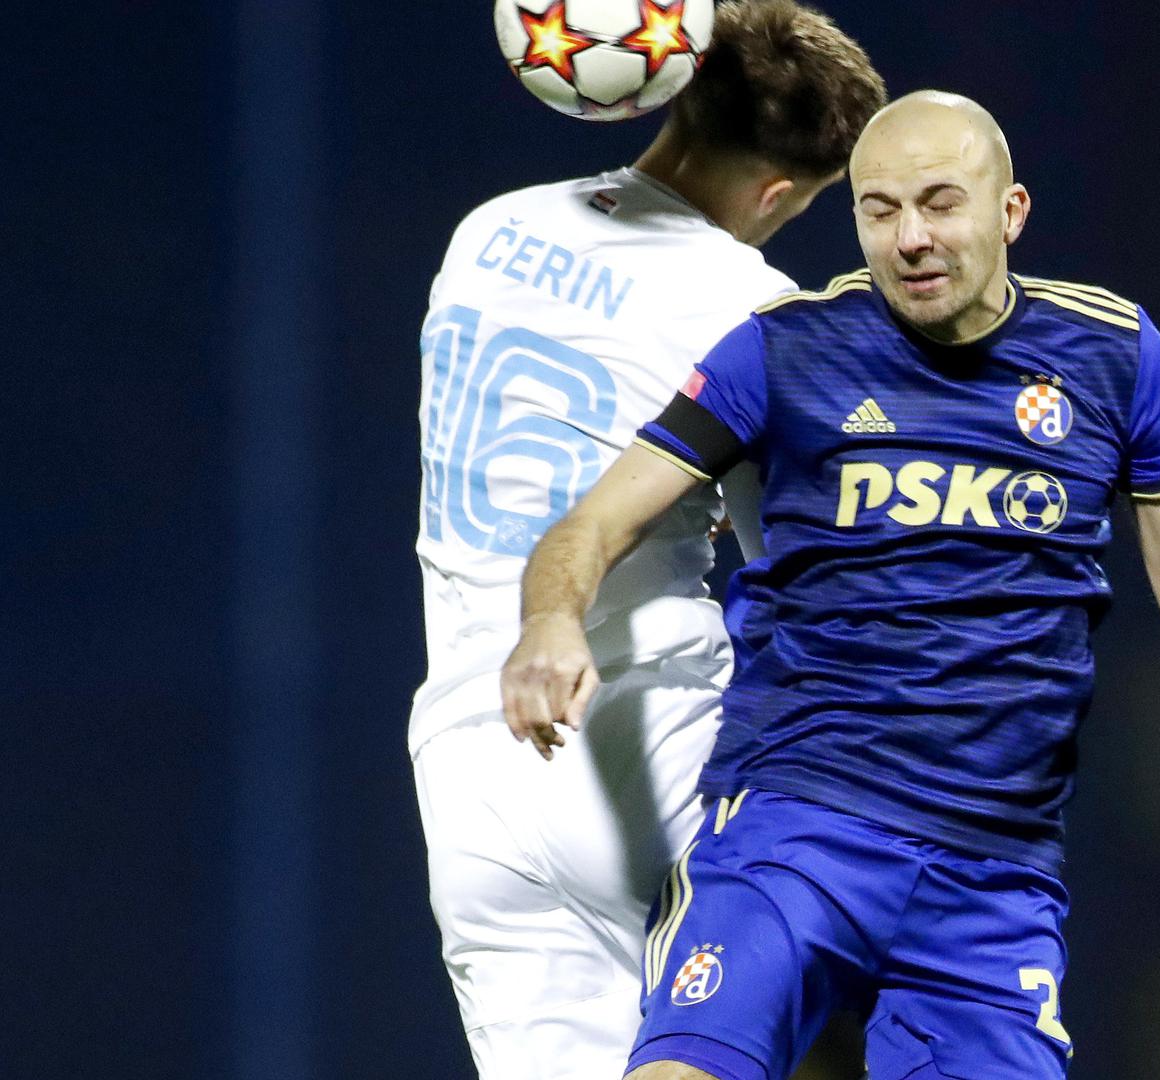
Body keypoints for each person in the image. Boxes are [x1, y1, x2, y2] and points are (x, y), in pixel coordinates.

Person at [501, 91, 1160, 1080]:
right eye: (879, 210)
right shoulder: (782, 349)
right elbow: (592, 524)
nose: (909, 237)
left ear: (1010, 211)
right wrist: (549, 622)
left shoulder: (1115, 356)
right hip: (799, 825)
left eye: (940, 203)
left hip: (992, 874)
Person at [409, 5, 885, 1078]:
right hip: (654, 746)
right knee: (869, 1012)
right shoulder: (748, 303)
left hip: (473, 771)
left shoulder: (487, 230)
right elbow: (804, 575)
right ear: (778, 193)